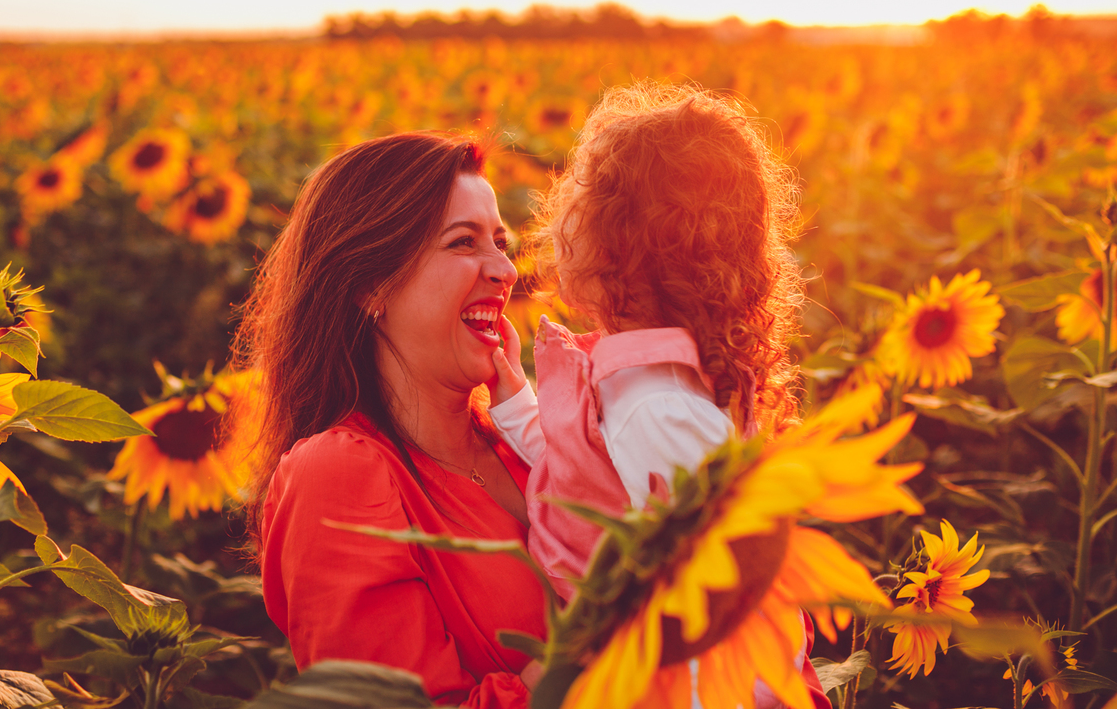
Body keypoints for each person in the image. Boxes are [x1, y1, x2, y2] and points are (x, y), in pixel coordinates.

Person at [485, 83, 830, 707]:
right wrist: (513, 398)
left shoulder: (659, 406)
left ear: (615, 244)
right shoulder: (657, 384)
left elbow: (712, 601)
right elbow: (589, 478)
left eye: (577, 201)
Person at [233, 132, 546, 709]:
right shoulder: (339, 473)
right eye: (463, 243)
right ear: (369, 283)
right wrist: (589, 648)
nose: (505, 269)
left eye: (501, 242)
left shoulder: (520, 436)